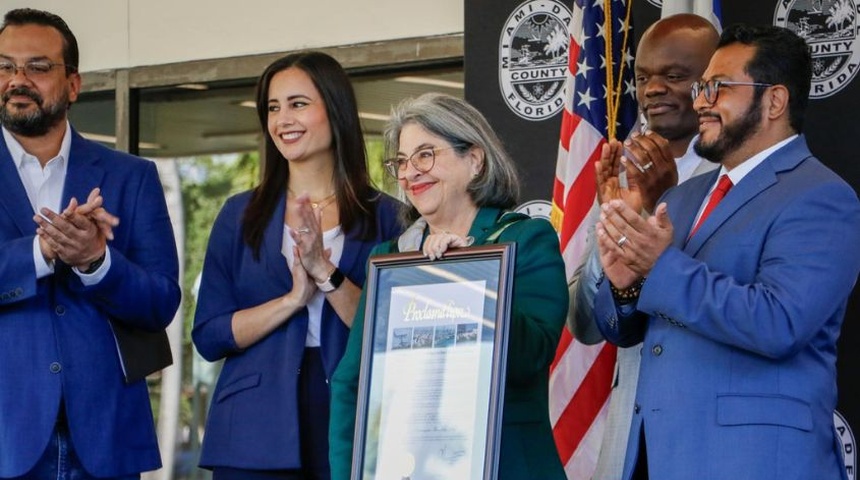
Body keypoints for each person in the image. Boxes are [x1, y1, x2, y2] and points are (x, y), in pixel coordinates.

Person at [593, 24, 860, 479]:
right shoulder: (680, 196)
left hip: (753, 462)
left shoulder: (821, 196)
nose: (700, 102)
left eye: (717, 88)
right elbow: (626, 331)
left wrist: (657, 267)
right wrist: (624, 285)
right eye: (700, 88)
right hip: (657, 458)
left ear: (774, 101)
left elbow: (779, 323)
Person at [329, 93, 568, 480]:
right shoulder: (390, 257)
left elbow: (531, 357)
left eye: (425, 155)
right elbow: (351, 383)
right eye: (402, 162)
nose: (409, 173)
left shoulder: (527, 238)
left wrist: (470, 275)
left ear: (474, 160)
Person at [192, 51, 401, 479]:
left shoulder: (389, 217)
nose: (282, 119)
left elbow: (391, 332)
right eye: (273, 107)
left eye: (298, 104)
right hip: (252, 430)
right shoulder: (238, 214)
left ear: (335, 109)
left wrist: (325, 273)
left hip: (355, 417)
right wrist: (291, 300)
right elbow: (209, 336)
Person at [0, 8, 181, 479]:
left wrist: (96, 261)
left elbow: (161, 301)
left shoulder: (132, 176)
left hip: (106, 436)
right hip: (7, 435)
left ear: (74, 84)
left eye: (38, 67)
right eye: (5, 66)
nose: (18, 79)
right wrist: (43, 252)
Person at [565, 14, 718, 479]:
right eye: (644, 77)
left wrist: (663, 206)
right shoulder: (621, 172)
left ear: (714, 84)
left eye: (674, 76)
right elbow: (586, 324)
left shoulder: (736, 178)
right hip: (633, 438)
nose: (653, 90)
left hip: (707, 435)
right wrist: (615, 228)